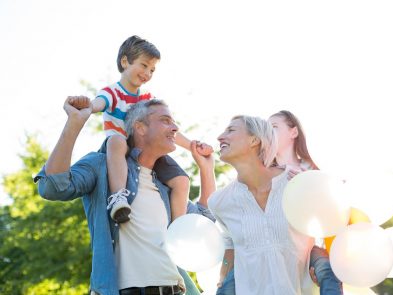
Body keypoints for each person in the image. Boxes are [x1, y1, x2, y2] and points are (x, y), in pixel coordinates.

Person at [35, 98, 215, 295]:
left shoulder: (166, 186)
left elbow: (203, 222)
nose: (175, 128)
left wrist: (207, 168)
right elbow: (52, 187)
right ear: (140, 128)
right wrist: (74, 123)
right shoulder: (102, 166)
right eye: (165, 120)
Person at [69, 35, 212, 225]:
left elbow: (165, 130)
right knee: (116, 141)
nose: (148, 73)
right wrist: (86, 106)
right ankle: (118, 197)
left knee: (181, 181)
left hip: (145, 149)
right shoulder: (112, 92)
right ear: (125, 61)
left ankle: (179, 228)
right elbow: (98, 104)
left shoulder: (147, 99)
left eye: (152, 69)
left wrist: (191, 145)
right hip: (121, 147)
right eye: (144, 65)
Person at [215, 111, 343, 295]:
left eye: (274, 127)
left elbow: (331, 215)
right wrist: (223, 274)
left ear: (293, 132)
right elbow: (232, 239)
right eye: (268, 127)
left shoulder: (309, 171)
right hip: (261, 253)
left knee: (327, 269)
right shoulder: (242, 187)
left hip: (310, 247)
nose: (270, 131)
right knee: (231, 281)